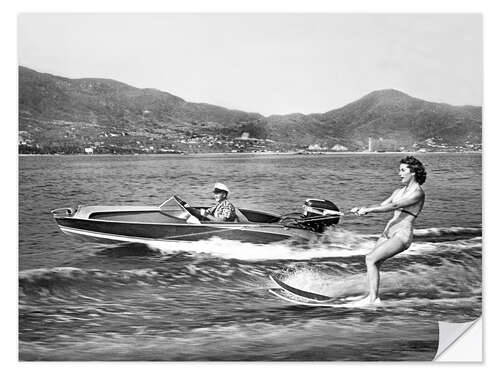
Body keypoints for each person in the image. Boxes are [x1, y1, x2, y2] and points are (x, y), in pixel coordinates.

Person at [349, 156, 426, 306]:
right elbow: (382, 204)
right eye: (400, 170)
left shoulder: (418, 193)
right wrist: (361, 209)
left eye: (403, 170)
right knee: (374, 262)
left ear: (413, 172)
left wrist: (368, 210)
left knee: (370, 259)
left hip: (401, 235)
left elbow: (394, 206)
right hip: (388, 232)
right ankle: (372, 297)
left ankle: (372, 299)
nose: (399, 173)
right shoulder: (398, 191)